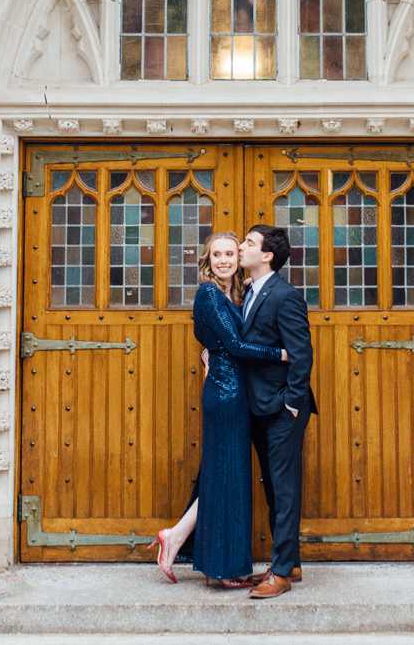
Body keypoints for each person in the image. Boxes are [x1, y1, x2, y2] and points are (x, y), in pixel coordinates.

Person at [150, 232, 288, 587]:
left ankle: (177, 538)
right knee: (226, 476)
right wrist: (280, 354)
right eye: (217, 255)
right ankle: (221, 568)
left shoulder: (232, 294)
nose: (225, 260)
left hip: (236, 391)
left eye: (230, 253)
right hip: (226, 394)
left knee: (224, 475)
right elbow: (235, 344)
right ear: (207, 260)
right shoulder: (209, 294)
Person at [236, 224, 316, 600]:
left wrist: (292, 403)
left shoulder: (285, 296)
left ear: (267, 255)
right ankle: (292, 562)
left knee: (284, 488)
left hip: (283, 409)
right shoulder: (248, 292)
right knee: (273, 486)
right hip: (257, 405)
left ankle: (281, 572)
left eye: (248, 243)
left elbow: (301, 353)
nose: (240, 247)